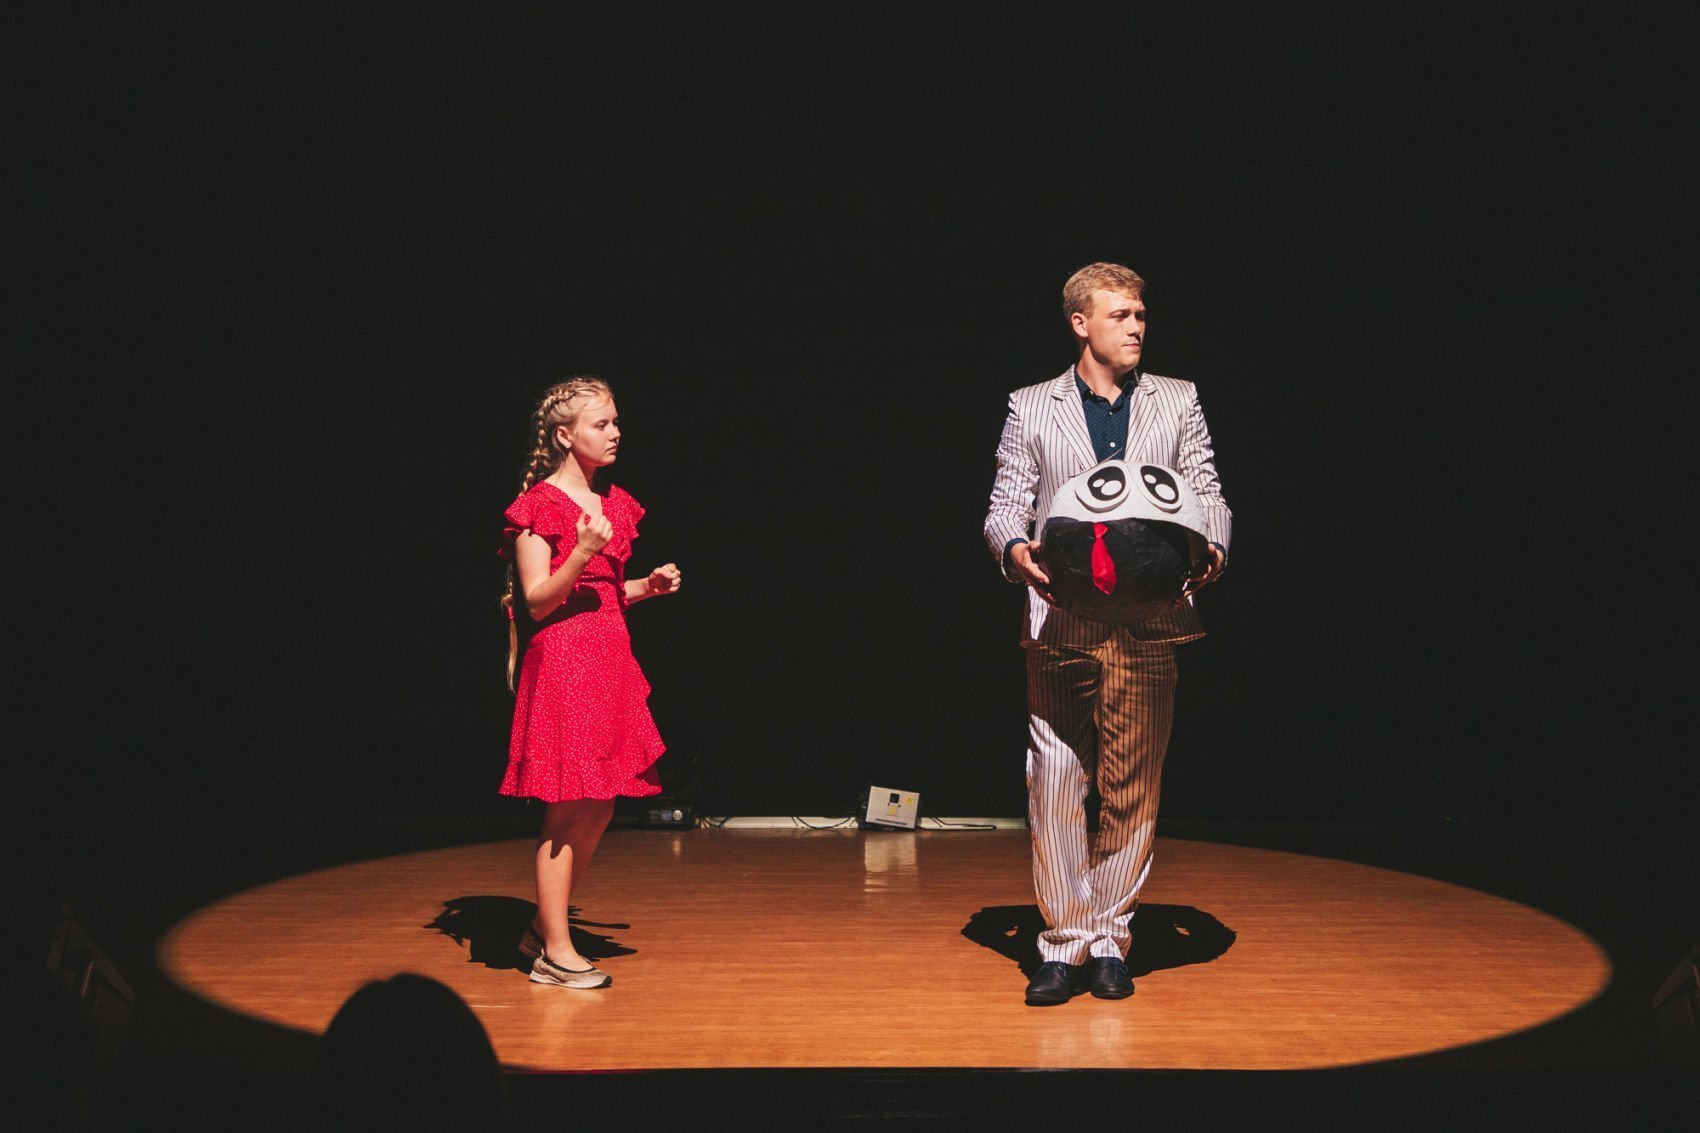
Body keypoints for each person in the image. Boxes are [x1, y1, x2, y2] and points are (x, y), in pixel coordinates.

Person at [983, 263, 1232, 1006]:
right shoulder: (1032, 406)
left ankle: (1109, 939)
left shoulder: (1176, 399)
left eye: (1140, 315)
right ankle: (1062, 942)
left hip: (1150, 620)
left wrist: (1212, 549)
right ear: (1080, 323)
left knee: (1133, 786)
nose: (1135, 326)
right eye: (1120, 314)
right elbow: (1006, 503)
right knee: (1056, 781)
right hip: (1062, 616)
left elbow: (1207, 490)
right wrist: (1014, 550)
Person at [499, 377, 681, 989]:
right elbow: (537, 601)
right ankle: (554, 953)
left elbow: (602, 593)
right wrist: (578, 552)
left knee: (600, 805)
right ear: (564, 435)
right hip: (564, 664)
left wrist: (645, 587)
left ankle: (543, 929)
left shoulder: (615, 503)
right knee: (567, 807)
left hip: (609, 660)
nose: (615, 433)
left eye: (615, 422)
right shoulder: (540, 506)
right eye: (601, 424)